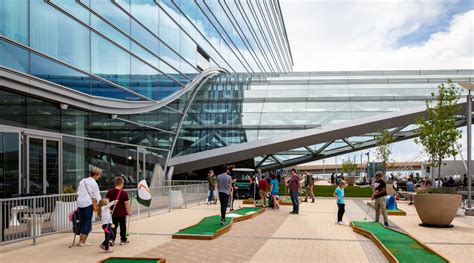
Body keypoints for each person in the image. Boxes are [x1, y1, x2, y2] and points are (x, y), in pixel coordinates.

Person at [76, 167, 102, 246]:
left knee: (82, 221)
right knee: (87, 222)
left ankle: (81, 240)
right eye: (99, 175)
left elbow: (78, 192)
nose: (99, 177)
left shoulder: (82, 181)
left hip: (80, 203)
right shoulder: (94, 183)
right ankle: (82, 242)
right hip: (88, 203)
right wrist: (100, 204)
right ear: (96, 175)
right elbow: (97, 195)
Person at [106, 177, 131, 246]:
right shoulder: (124, 193)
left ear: (114, 183)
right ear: (122, 184)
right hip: (122, 213)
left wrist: (109, 210)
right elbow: (127, 204)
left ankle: (112, 239)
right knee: (123, 227)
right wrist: (129, 212)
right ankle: (123, 240)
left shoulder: (110, 192)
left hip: (113, 213)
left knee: (113, 226)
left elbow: (107, 202)